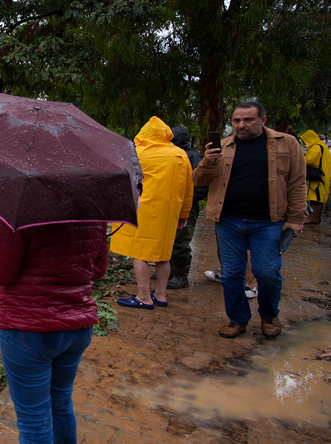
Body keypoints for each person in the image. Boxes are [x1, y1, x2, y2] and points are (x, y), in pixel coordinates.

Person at [0, 214, 109, 444]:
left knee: (35, 420)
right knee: (61, 403)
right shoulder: (93, 205)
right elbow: (98, 269)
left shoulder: (15, 208)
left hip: (29, 328)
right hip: (76, 325)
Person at [192, 101, 307, 339]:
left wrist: (296, 219)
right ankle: (237, 319)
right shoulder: (222, 146)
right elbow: (197, 180)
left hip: (269, 221)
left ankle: (269, 314)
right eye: (236, 120)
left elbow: (297, 183)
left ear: (263, 120)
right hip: (229, 221)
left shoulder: (286, 143)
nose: (241, 125)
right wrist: (207, 161)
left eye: (248, 120)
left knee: (267, 272)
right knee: (232, 274)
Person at [111, 117, 194, 309]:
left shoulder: (136, 153)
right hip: (168, 213)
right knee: (163, 254)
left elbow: (123, 181)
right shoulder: (180, 155)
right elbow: (188, 188)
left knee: (139, 253)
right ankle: (161, 294)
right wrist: (184, 214)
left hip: (143, 211)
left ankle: (143, 296)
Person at [167, 125, 209, 289]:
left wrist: (187, 202)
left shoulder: (192, 157)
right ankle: (169, 271)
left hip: (187, 207)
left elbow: (202, 185)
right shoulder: (173, 154)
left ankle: (181, 275)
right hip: (171, 205)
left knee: (181, 240)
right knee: (169, 239)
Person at [301, 129, 330, 223]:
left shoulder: (316, 148)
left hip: (316, 178)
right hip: (323, 176)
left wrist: (301, 156)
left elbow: (308, 160)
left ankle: (312, 218)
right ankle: (316, 218)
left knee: (315, 197)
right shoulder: (323, 146)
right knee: (319, 198)